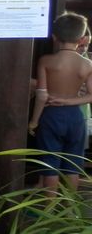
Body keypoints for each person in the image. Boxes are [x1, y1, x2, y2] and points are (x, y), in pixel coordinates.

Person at [28, 12, 92, 191]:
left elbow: (42, 95)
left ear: (54, 37)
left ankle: (49, 205)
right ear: (81, 39)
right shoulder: (87, 64)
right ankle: (70, 206)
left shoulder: (46, 61)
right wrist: (68, 101)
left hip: (50, 115)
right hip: (75, 117)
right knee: (73, 164)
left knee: (49, 163)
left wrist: (34, 121)